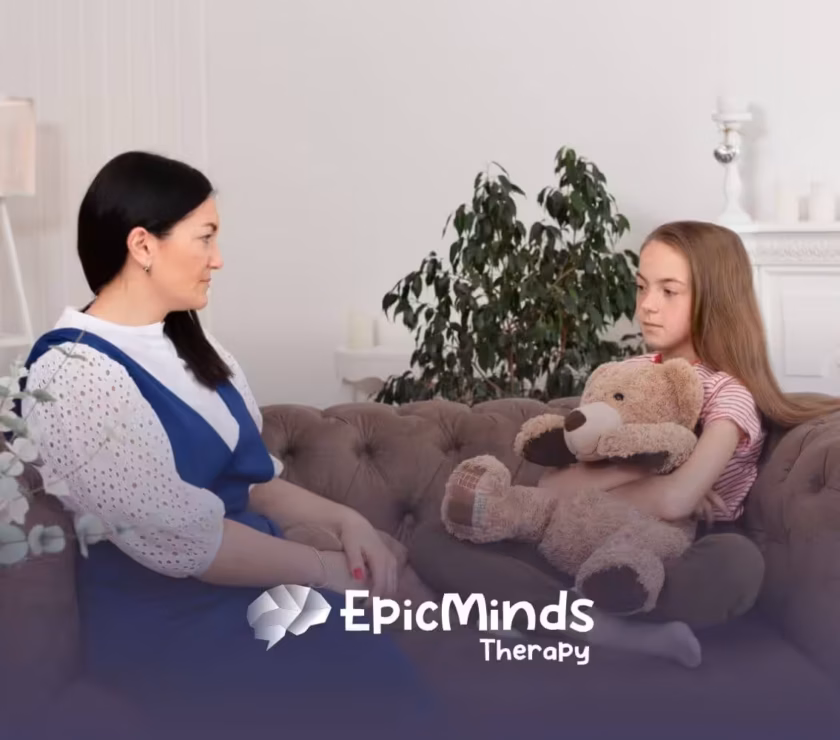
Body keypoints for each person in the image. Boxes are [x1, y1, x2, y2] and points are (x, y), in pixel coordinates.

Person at [19, 151, 438, 739]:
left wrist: (350, 523)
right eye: (205, 237)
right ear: (143, 245)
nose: (218, 259)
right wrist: (324, 570)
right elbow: (186, 541)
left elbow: (256, 483)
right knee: (373, 689)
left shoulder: (196, 348)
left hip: (256, 593)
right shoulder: (72, 372)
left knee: (393, 675)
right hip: (170, 627)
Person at [409, 220, 840, 668]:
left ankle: (553, 613)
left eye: (669, 291)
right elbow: (552, 488)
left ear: (715, 298)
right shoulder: (626, 375)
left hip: (671, 550)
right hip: (577, 536)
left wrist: (650, 487)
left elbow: (673, 503)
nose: (647, 305)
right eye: (641, 286)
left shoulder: (728, 394)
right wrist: (642, 467)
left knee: (737, 563)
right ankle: (600, 628)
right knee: (435, 536)